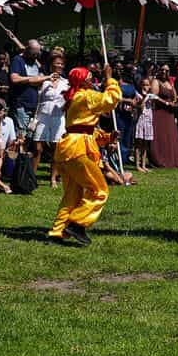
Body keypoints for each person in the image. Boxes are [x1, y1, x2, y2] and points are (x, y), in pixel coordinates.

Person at [48, 65, 123, 246]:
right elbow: (112, 99)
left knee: (72, 195)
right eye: (89, 77)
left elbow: (84, 129)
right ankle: (77, 224)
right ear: (82, 81)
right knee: (99, 191)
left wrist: (107, 137)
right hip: (77, 150)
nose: (92, 79)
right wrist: (110, 80)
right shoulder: (86, 96)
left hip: (68, 148)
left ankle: (58, 232)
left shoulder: (76, 98)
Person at [29, 55, 68, 186]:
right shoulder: (44, 80)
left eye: (61, 64)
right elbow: (32, 81)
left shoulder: (66, 82)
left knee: (56, 148)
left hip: (58, 116)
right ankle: (32, 177)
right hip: (43, 116)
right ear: (51, 65)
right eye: (57, 63)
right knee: (37, 147)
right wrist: (47, 78)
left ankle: (53, 178)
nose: (60, 66)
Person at [9, 39, 48, 139]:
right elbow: (14, 78)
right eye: (34, 53)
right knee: (21, 134)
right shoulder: (18, 60)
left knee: (30, 135)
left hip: (34, 104)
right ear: (27, 50)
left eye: (37, 53)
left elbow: (41, 78)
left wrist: (34, 80)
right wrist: (32, 79)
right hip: (21, 104)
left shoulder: (35, 62)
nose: (36, 56)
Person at [149, 64, 178, 168]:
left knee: (170, 136)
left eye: (167, 70)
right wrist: (166, 103)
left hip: (169, 114)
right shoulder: (156, 82)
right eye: (162, 70)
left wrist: (174, 102)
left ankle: (171, 158)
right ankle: (159, 159)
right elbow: (154, 96)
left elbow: (174, 96)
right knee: (160, 136)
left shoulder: (170, 83)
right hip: (159, 112)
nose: (164, 72)